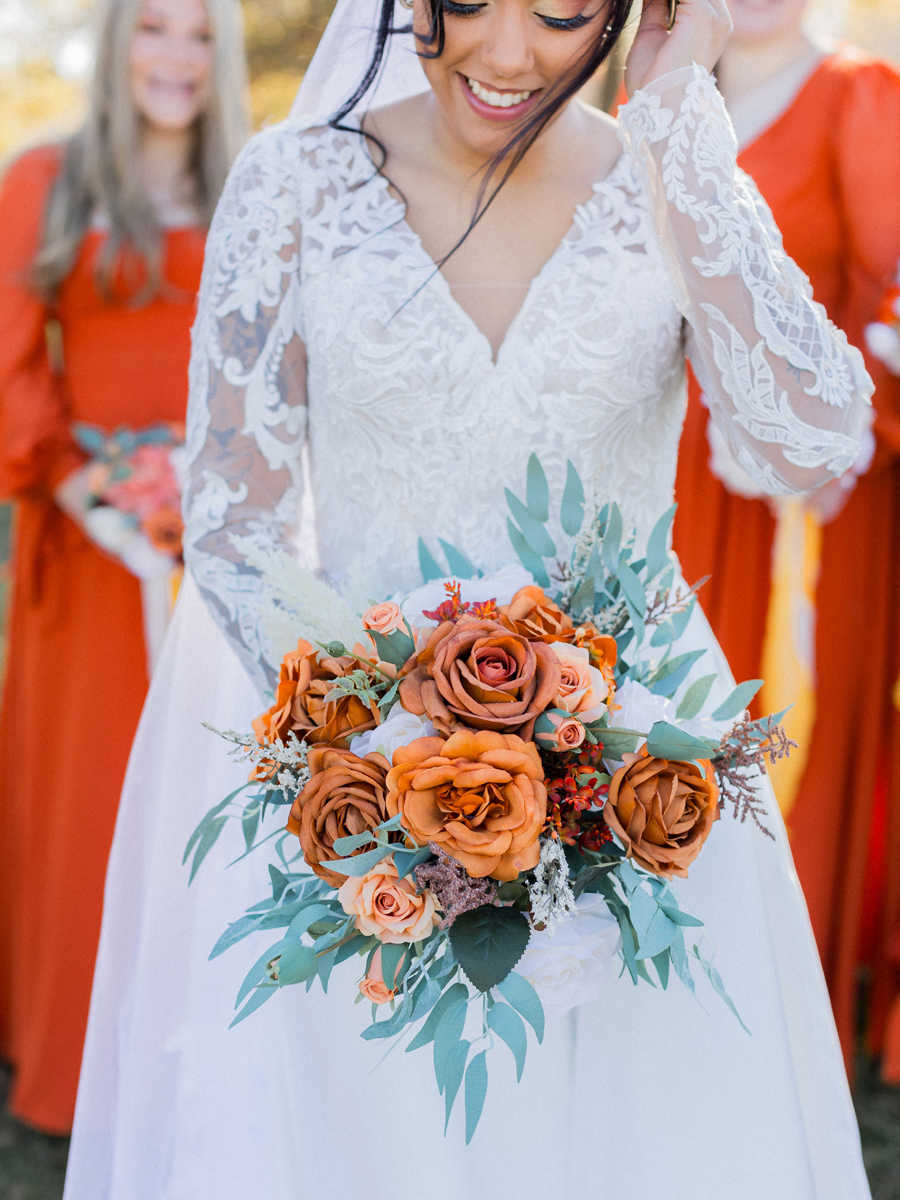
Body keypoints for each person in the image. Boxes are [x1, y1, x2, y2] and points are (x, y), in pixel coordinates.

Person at [63, 0, 874, 1193]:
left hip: (635, 797)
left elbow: (816, 442)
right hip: (356, 812)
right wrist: (391, 759)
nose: (504, 55)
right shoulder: (292, 183)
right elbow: (235, 527)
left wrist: (682, 119)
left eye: (557, 14)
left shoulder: (667, 171)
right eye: (465, 3)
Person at [0, 0, 247, 1133]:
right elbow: (9, 359)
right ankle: (69, 1070)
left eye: (201, 37)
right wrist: (87, 492)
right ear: (117, 43)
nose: (177, 58)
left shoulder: (251, 182)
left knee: (215, 798)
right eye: (156, 29)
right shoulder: (46, 181)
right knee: (94, 796)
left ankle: (198, 1062)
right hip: (93, 543)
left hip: (226, 544)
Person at [671, 0, 900, 1076]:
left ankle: (774, 1037)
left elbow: (890, 293)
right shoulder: (655, 92)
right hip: (667, 486)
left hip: (810, 500)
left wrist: (829, 439)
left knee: (781, 742)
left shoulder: (860, 95)